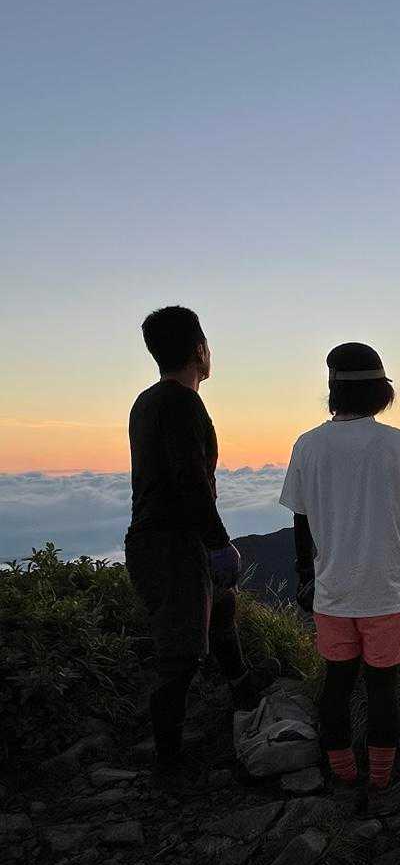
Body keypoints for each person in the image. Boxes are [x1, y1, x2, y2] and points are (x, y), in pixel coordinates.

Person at [279, 343, 400, 815]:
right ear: (380, 392)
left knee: (336, 683)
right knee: (382, 688)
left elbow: (300, 519)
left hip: (332, 592)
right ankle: (381, 780)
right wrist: (388, 522)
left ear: (332, 391)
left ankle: (342, 774)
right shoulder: (396, 442)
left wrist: (305, 575)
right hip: (388, 592)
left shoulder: (307, 445)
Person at [126, 306, 260, 772]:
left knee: (222, 607)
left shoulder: (147, 401)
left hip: (159, 539)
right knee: (180, 657)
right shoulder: (183, 403)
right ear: (200, 350)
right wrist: (218, 543)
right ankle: (169, 764)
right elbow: (191, 481)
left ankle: (242, 689)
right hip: (172, 544)